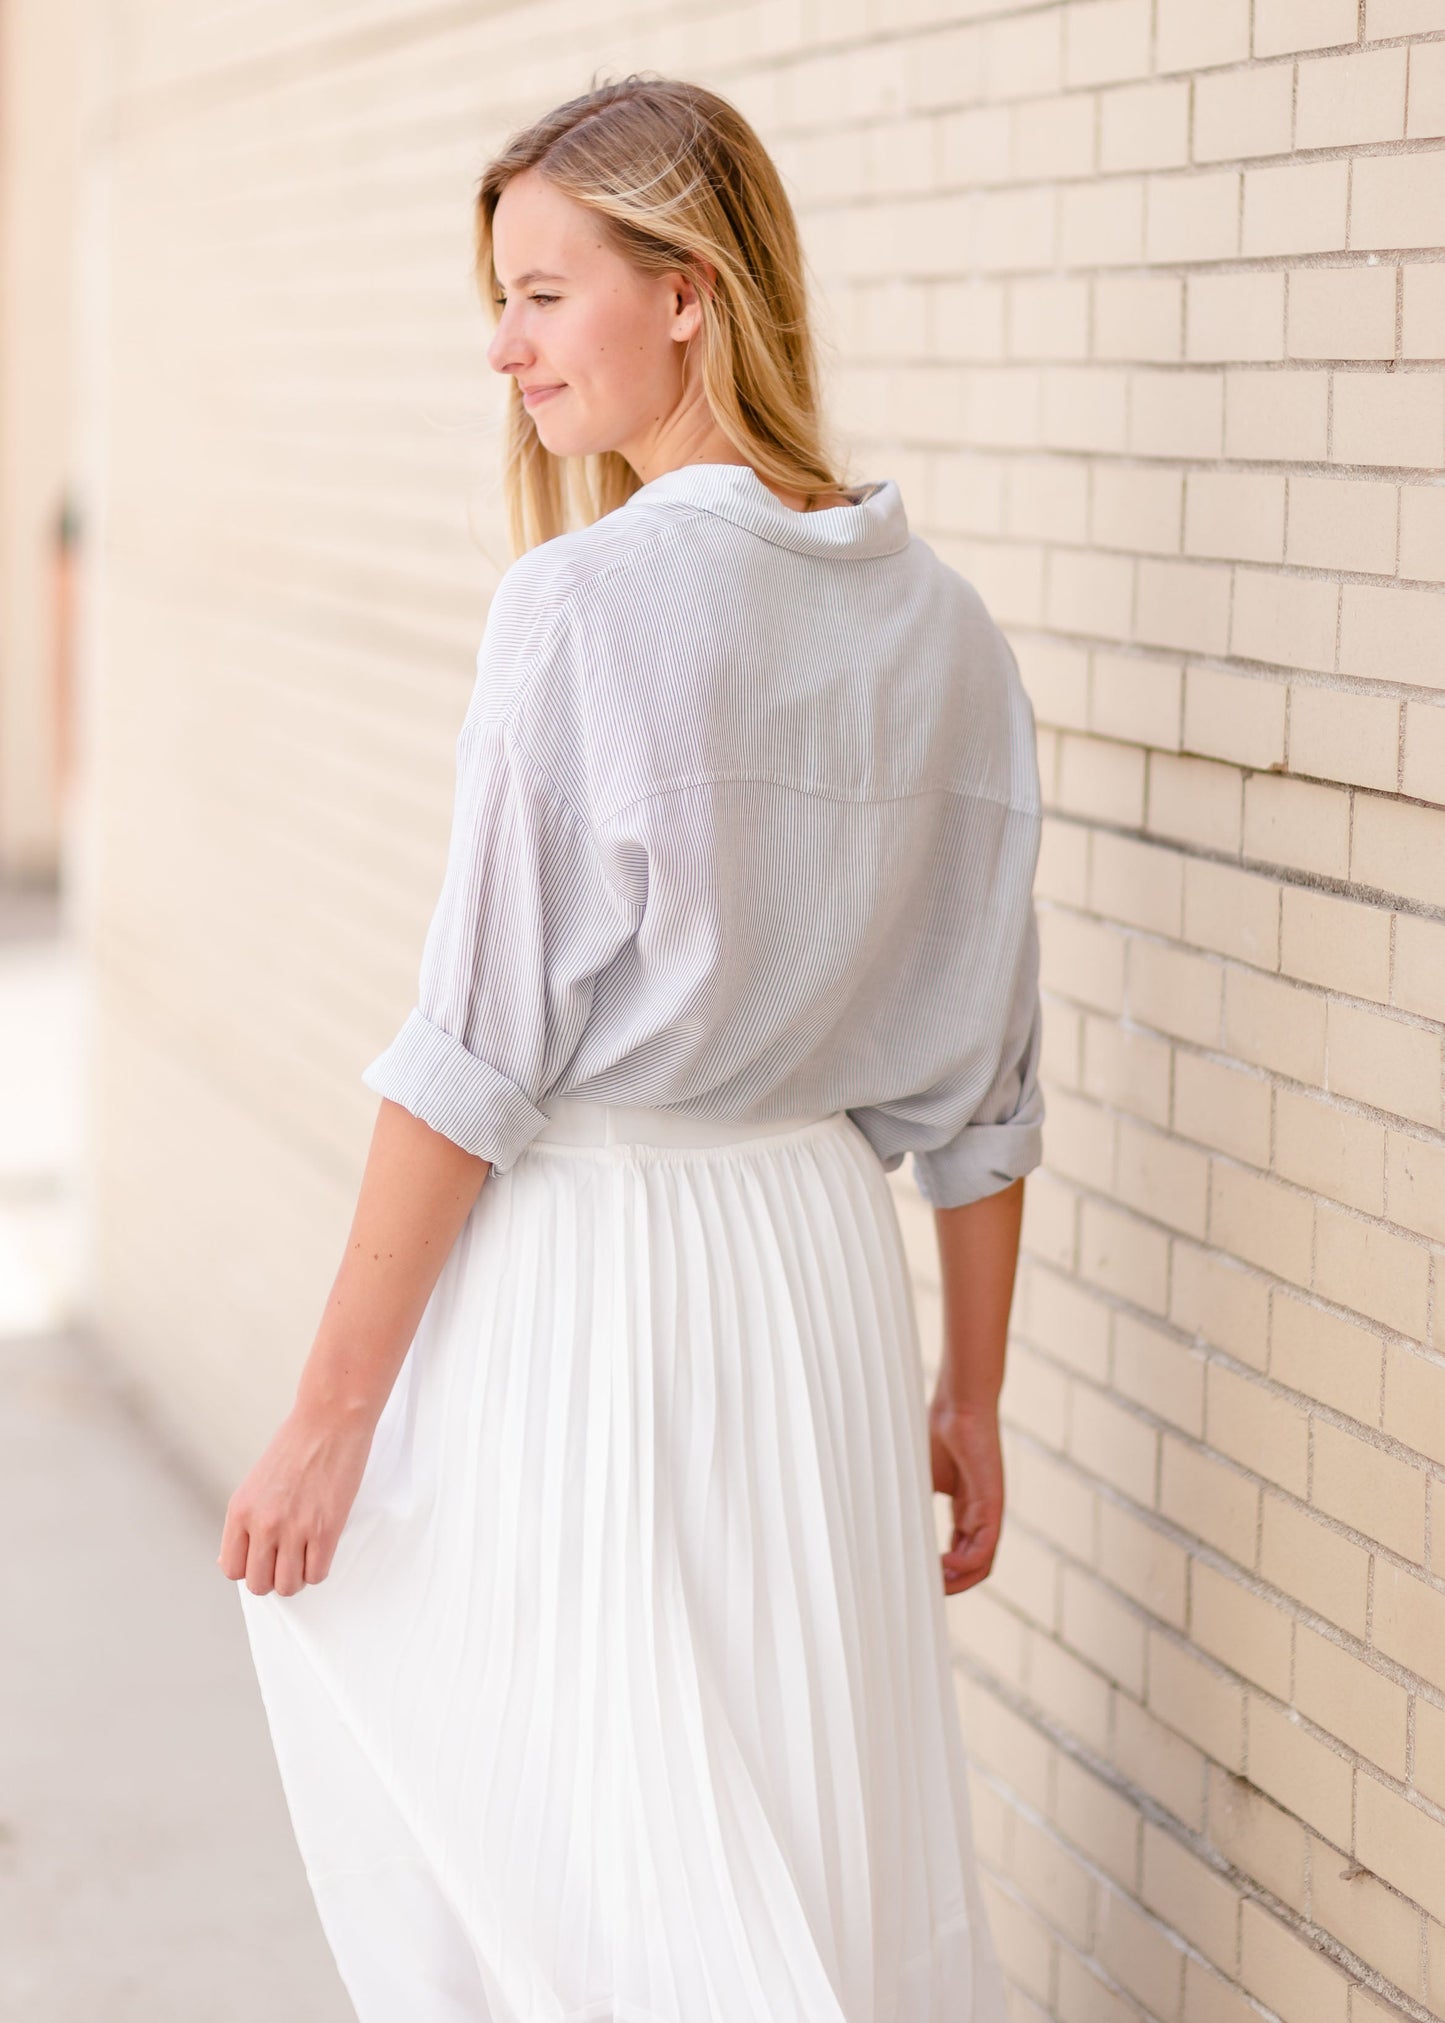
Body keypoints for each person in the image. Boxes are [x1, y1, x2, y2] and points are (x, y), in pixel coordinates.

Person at [219, 71, 1043, 2023]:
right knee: (794, 1814)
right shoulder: (950, 630)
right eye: (494, 305)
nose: (503, 350)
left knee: (589, 1843)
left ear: (691, 292)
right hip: (822, 1288)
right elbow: (982, 1093)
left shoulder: (580, 607)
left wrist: (333, 1411)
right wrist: (973, 1392)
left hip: (604, 1285)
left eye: (540, 292)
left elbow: (471, 1054)